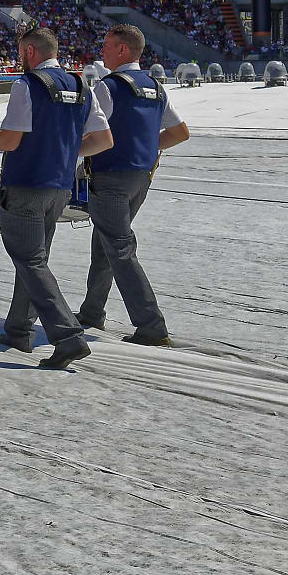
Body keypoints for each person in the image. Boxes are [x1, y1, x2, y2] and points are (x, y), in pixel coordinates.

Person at [0, 26, 113, 370]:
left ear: (29, 52)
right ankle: (18, 330)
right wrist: (68, 154)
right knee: (33, 259)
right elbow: (103, 141)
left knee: (30, 261)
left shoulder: (26, 85)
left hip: (25, 184)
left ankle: (68, 337)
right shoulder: (83, 86)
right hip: (59, 187)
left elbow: (11, 140)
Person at [76, 24, 187, 345]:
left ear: (123, 50)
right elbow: (180, 133)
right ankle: (92, 311)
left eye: (107, 46)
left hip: (110, 177)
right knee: (106, 242)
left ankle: (151, 325)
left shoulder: (106, 88)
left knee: (120, 248)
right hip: (142, 178)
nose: (102, 51)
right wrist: (149, 148)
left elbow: (92, 136)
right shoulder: (155, 87)